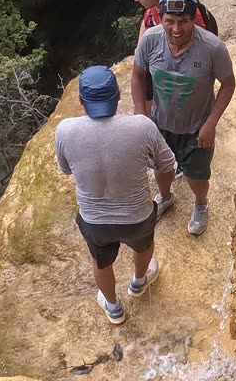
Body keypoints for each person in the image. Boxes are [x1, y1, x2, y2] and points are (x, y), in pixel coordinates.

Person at [55, 65, 177, 325]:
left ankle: (113, 308)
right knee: (143, 246)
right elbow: (168, 163)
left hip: (95, 221)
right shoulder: (142, 127)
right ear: (119, 95)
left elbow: (65, 169)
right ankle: (138, 282)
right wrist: (160, 184)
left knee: (101, 263)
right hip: (138, 216)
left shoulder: (65, 130)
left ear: (80, 101)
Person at [130, 0, 235, 236]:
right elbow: (137, 75)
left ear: (193, 19)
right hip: (160, 123)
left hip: (197, 128)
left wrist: (211, 123)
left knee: (197, 176)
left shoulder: (212, 48)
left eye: (184, 22)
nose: (176, 29)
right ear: (161, 18)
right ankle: (165, 197)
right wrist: (140, 114)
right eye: (170, 21)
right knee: (161, 168)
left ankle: (200, 204)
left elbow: (228, 84)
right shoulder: (150, 40)